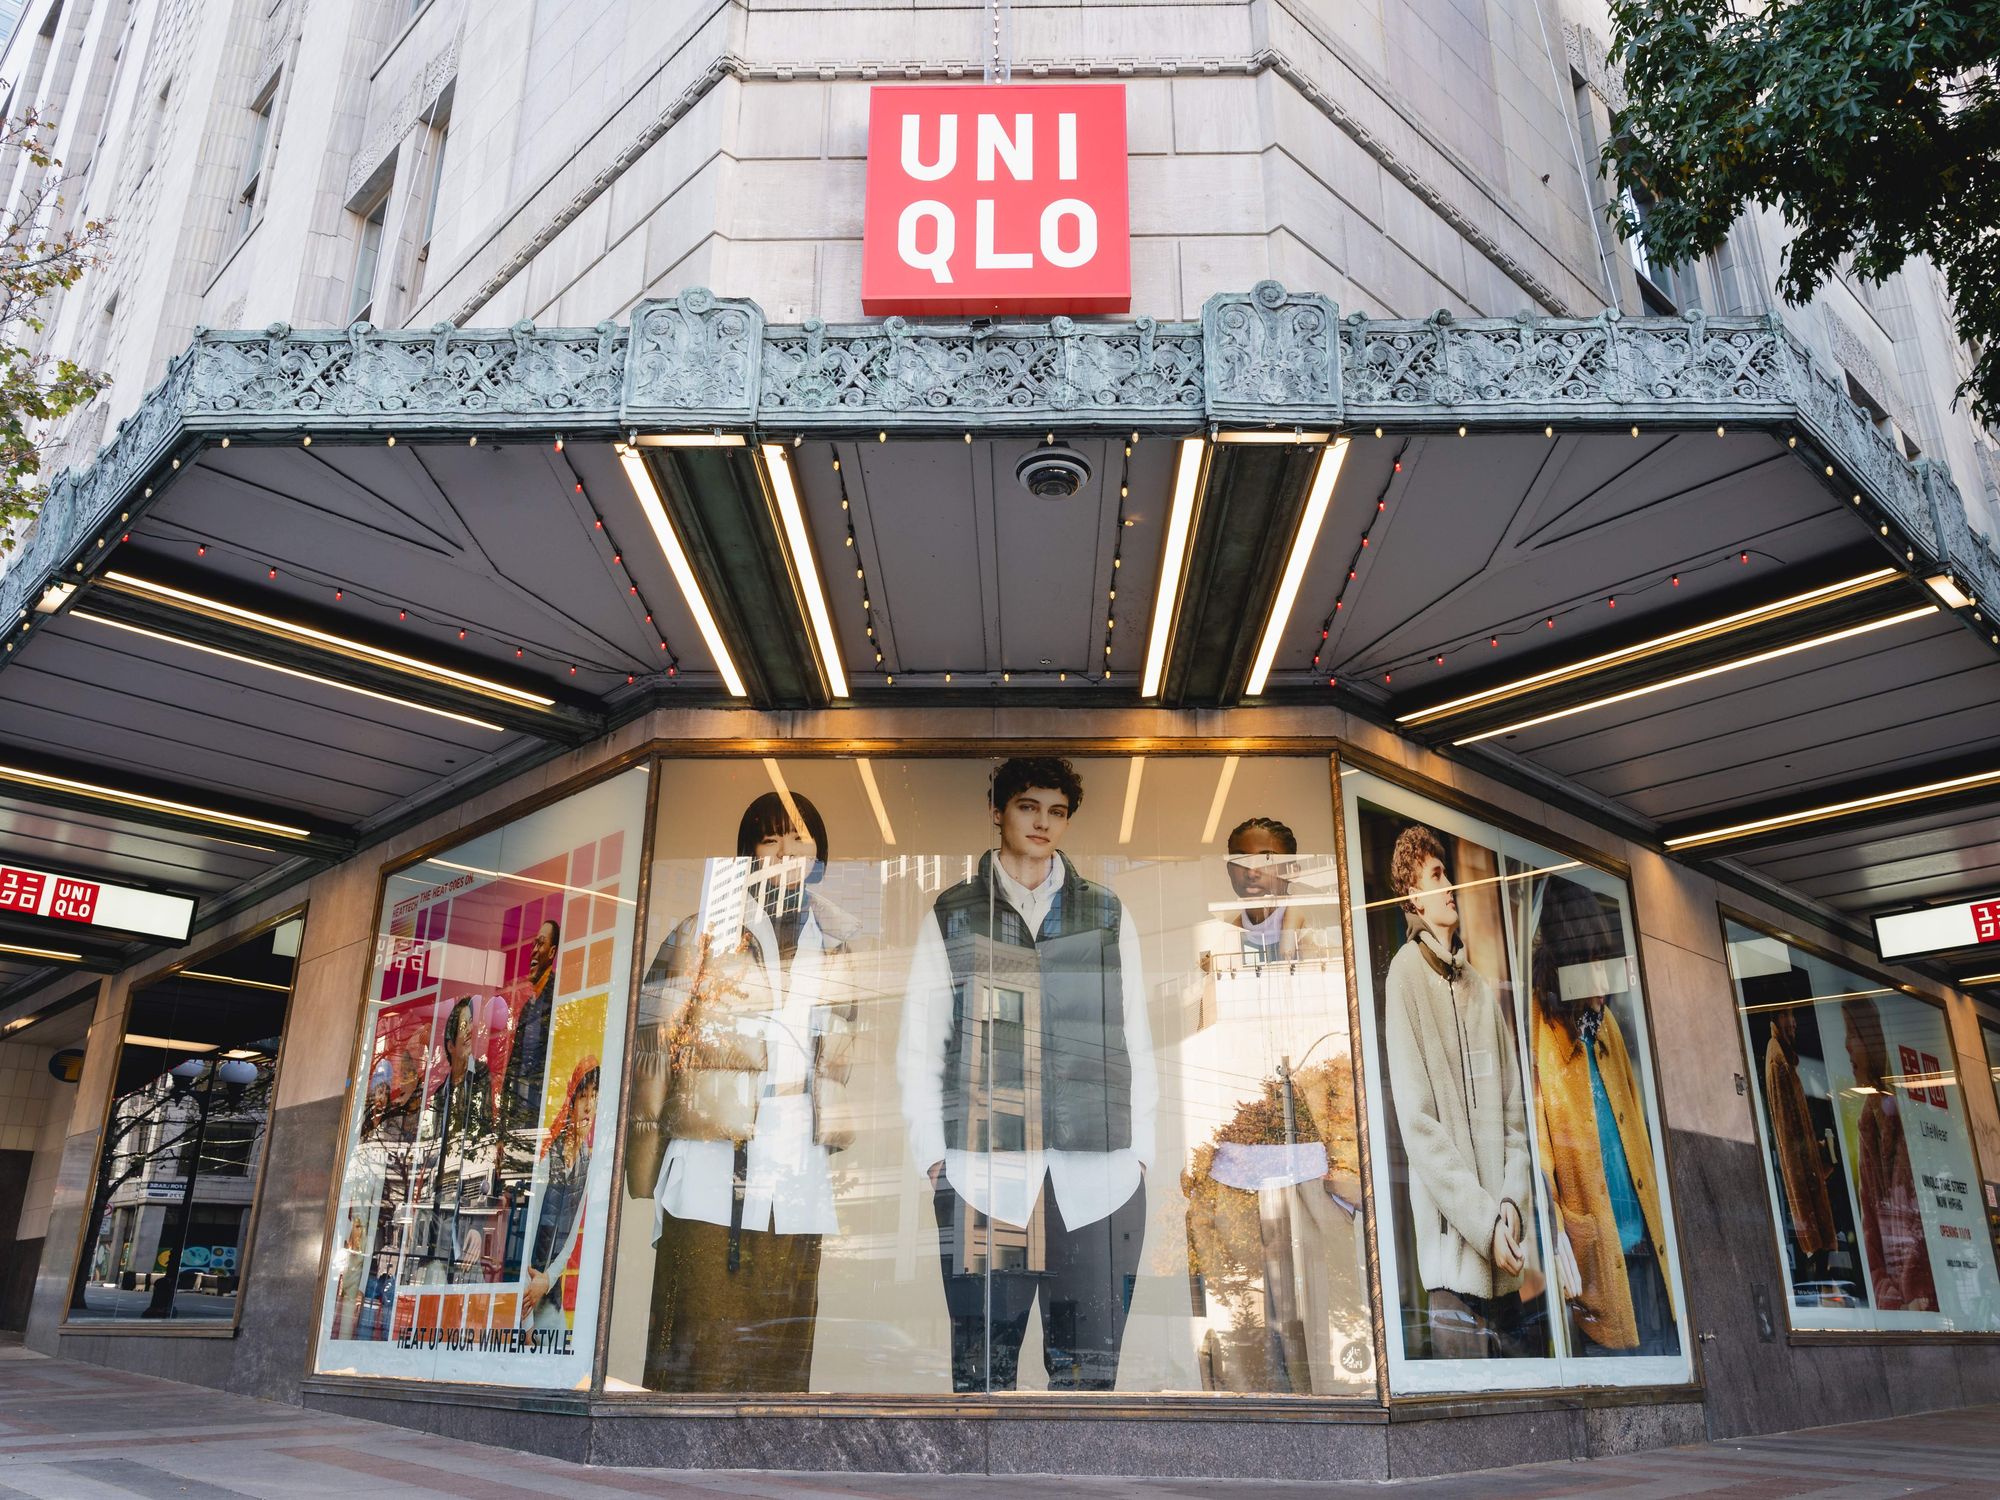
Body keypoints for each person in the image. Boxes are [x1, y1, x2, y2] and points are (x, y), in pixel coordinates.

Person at [900, 756, 1157, 1392]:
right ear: (999, 812)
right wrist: (936, 1161)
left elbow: (1138, 1038)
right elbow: (920, 1045)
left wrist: (1141, 1157)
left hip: (1097, 1180)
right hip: (984, 1178)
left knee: (1088, 1378)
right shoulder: (954, 913)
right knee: (982, 1378)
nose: (1043, 823)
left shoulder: (1105, 913)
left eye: (1057, 812)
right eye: (1028, 807)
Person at [627, 791, 865, 1392]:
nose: (786, 851)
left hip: (797, 1172)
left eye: (799, 837)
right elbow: (654, 1048)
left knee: (780, 1353)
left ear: (818, 854)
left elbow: (842, 1058)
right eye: (770, 838)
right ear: (749, 853)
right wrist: (644, 1165)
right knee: (698, 1343)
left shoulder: (837, 944)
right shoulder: (702, 933)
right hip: (711, 1162)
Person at [1182, 815, 1369, 1394]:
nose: (1255, 870)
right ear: (1229, 869)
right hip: (1234, 1158)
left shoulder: (1326, 939)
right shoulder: (1206, 942)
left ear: (1289, 868)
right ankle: (1247, 1420)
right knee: (1241, 1309)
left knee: (1327, 1307)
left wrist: (1349, 1159)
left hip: (1311, 1153)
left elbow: (1342, 1047)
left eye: (1269, 858)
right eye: (1243, 858)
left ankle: (1342, 1408)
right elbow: (1195, 1045)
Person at [1380, 823, 1534, 1359]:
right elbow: (1419, 1127)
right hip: (1453, 1270)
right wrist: (1483, 1223)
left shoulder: (1481, 989)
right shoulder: (1403, 978)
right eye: (1437, 876)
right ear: (1412, 897)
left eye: (1447, 874)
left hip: (1506, 1265)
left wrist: (1512, 1205)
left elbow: (1515, 1117)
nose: (1450, 887)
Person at [1527, 877, 1677, 1357]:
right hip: (1595, 1261)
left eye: (1602, 959)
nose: (1600, 976)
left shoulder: (1606, 1025)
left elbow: (1636, 1132)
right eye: (1589, 960)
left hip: (1646, 1248)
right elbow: (1542, 1159)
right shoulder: (1540, 1031)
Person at [1843, 998, 1937, 1312]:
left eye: (1852, 1033)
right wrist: (1894, 1297)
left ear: (1871, 1040)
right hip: (1907, 1302)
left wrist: (1914, 1294)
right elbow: (1872, 1231)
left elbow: (1923, 1218)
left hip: (1926, 1300)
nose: (1846, 1046)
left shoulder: (1899, 1115)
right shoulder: (1869, 1123)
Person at [495, 919, 560, 1280]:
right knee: (513, 1215)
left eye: (540, 944)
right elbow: (516, 1078)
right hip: (520, 1136)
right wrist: (504, 1133)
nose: (533, 951)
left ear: (553, 952)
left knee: (535, 1218)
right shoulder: (530, 1006)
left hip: (539, 1134)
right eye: (532, 945)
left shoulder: (556, 1002)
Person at [416, 996, 495, 1283]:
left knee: (467, 1293)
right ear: (450, 1044)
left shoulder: (483, 1079)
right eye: (464, 1026)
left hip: (467, 1214)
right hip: (439, 1218)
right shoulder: (440, 1095)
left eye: (471, 1024)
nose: (470, 1030)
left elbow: (486, 1152)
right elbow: (431, 1156)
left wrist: (477, 1222)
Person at [521, 1057, 599, 1334]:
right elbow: (528, 1234)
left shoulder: (588, 1163)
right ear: (572, 1102)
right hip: (524, 1292)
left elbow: (568, 1244)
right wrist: (526, 1321)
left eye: (594, 1097)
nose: (588, 1106)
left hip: (548, 1290)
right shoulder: (547, 1157)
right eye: (582, 1097)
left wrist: (547, 1281)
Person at [1763, 1003, 1837, 1283]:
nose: (1793, 1022)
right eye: (1786, 1014)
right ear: (1775, 1017)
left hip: (1807, 1177)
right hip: (1803, 1186)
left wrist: (1817, 1152)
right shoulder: (1777, 1058)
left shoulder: (1784, 1058)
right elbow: (1786, 1135)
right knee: (1818, 1262)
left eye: (1793, 1015)